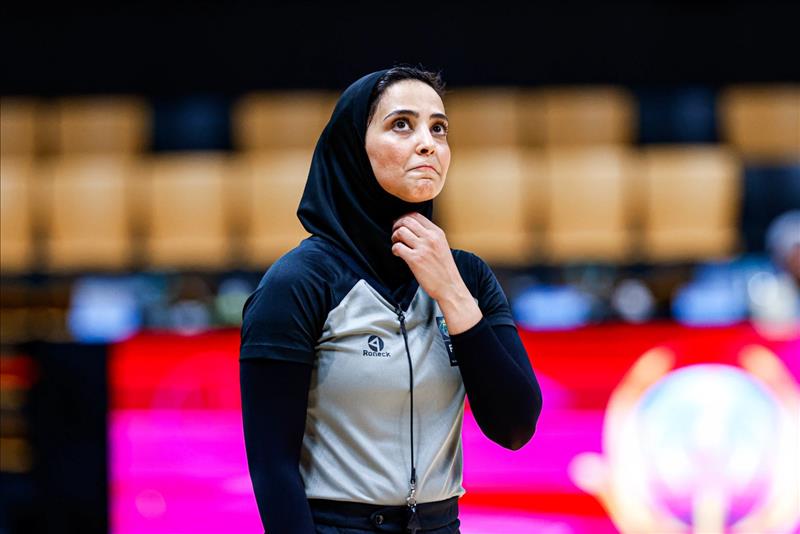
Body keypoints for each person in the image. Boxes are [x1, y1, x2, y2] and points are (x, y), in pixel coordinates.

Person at [239, 66, 543, 534]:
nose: (428, 144)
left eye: (438, 128)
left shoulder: (468, 278)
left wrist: (452, 293)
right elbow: (272, 466)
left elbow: (515, 426)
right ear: (353, 146)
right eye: (402, 124)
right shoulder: (298, 283)